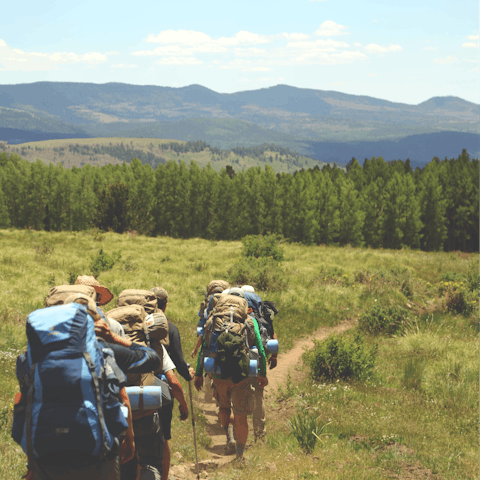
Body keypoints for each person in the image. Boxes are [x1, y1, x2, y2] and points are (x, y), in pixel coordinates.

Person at [14, 297, 162, 480]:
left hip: (45, 456)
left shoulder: (31, 359)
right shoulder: (103, 352)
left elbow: (24, 403)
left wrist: (32, 460)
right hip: (97, 457)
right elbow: (152, 359)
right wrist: (113, 337)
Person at [194, 289, 268, 461]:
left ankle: (229, 439)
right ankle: (240, 456)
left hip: (219, 374)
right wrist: (262, 373)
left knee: (224, 407)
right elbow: (261, 349)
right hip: (241, 374)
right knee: (241, 415)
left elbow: (204, 349)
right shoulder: (249, 321)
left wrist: (199, 373)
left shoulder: (213, 320)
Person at [149, 287, 193, 480]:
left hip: (132, 388)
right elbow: (178, 363)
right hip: (162, 389)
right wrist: (189, 375)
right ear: (165, 305)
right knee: (164, 437)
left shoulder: (134, 328)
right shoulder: (169, 328)